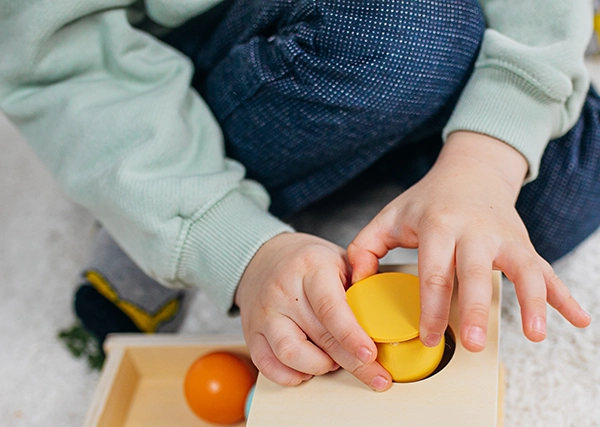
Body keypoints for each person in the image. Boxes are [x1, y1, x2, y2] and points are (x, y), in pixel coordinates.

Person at [0, 0, 597, 392]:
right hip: (192, 76)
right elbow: (60, 61)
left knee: (564, 186)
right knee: (407, 30)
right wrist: (232, 243)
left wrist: (483, 161)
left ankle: (398, 151)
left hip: (437, 39)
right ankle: (164, 207)